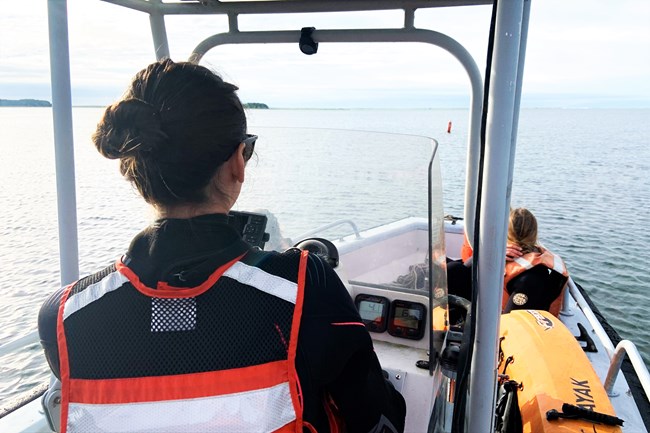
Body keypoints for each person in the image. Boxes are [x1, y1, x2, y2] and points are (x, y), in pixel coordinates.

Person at [37, 59, 406, 433]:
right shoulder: (304, 287)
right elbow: (376, 418)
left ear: (136, 168)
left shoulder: (63, 316)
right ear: (236, 163)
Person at [447, 208, 569, 316]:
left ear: (505, 233)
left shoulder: (530, 276)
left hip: (500, 323)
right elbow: (466, 267)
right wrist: (494, 252)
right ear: (534, 235)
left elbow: (511, 322)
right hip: (490, 306)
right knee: (451, 268)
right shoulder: (501, 254)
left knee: (452, 270)